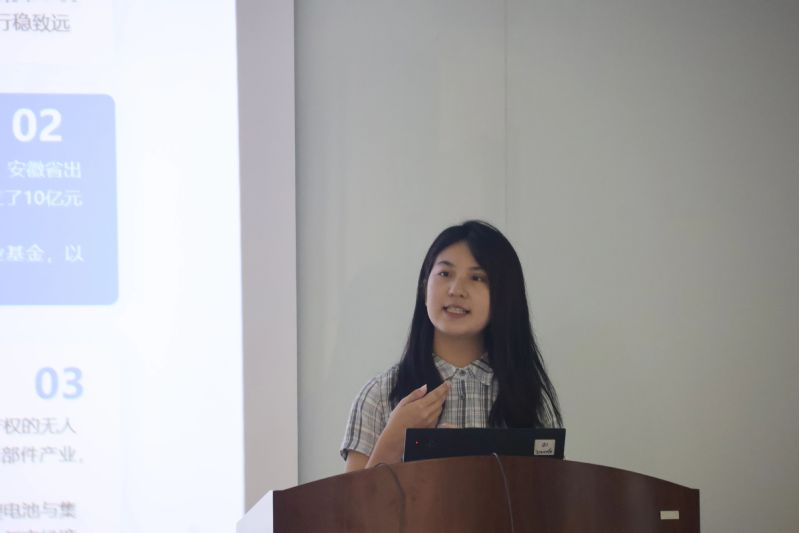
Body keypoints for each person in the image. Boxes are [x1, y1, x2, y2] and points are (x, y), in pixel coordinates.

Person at [340, 220, 562, 471]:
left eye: (477, 277)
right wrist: (394, 440)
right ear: (424, 287)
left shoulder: (526, 394)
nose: (456, 290)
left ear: (503, 296)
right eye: (445, 274)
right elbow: (352, 498)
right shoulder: (379, 395)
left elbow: (548, 492)